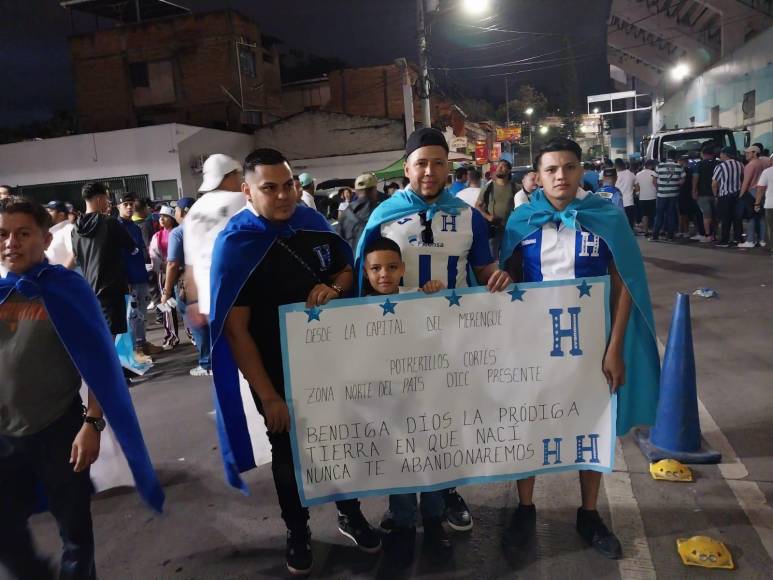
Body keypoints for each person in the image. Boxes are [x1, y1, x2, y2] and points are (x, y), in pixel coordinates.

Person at [210, 148, 380, 576]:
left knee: (341, 440)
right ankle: (298, 530)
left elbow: (346, 270)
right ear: (248, 190)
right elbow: (236, 330)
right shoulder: (236, 243)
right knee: (287, 453)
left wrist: (336, 288)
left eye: (289, 185)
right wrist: (268, 396)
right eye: (270, 188)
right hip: (275, 369)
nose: (284, 196)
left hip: (329, 362)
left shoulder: (313, 224)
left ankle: (350, 513)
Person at [500, 138, 659, 560]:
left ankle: (588, 513)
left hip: (591, 346)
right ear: (537, 175)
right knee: (531, 424)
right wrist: (500, 280)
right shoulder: (522, 220)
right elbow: (508, 278)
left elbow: (624, 281)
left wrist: (615, 347)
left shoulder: (605, 217)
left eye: (569, 167)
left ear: (580, 170)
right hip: (535, 348)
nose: (560, 176)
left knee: (592, 426)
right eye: (551, 169)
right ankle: (525, 508)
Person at [354, 127, 512, 547]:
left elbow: (483, 272)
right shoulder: (383, 215)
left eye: (437, 162)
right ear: (406, 167)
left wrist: (498, 279)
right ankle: (401, 500)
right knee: (400, 420)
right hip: (398, 341)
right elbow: (365, 281)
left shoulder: (469, 217)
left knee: (447, 423)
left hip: (451, 339)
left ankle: (445, 494)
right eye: (420, 163)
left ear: (449, 167)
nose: (429, 171)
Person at [0, 196, 163, 580]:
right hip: (4, 437)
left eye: (23, 234)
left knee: (74, 532)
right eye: (3, 235)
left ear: (44, 238)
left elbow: (101, 363)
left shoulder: (65, 288)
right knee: (6, 532)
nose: (11, 243)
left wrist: (92, 424)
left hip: (59, 429)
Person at [360, 236, 448, 569]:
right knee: (399, 463)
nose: (384, 274)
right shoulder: (352, 313)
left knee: (432, 460)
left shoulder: (420, 299)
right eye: (376, 268)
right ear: (366, 272)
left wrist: (435, 294)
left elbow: (440, 332)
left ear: (403, 270)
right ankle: (405, 523)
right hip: (387, 406)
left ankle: (435, 518)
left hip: (425, 400)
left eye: (392, 267)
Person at [183, 153, 246, 327]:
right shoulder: (241, 200)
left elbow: (190, 264)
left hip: (207, 301)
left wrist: (194, 301)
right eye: (237, 175)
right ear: (228, 176)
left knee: (220, 350)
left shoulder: (195, 210)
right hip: (240, 295)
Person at [71, 182, 138, 337]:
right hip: (111, 289)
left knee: (99, 335)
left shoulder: (75, 229)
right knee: (111, 336)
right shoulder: (110, 223)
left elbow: (77, 257)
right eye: (107, 199)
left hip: (89, 289)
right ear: (100, 199)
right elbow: (132, 248)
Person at [162, 197, 209, 375]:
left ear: (182, 212)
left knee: (197, 323)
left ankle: (206, 363)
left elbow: (172, 264)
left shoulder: (178, 233)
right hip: (208, 279)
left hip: (187, 283)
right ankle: (217, 359)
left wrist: (166, 291)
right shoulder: (207, 228)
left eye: (176, 210)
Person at [116, 193, 163, 362]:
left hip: (140, 274)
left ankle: (142, 343)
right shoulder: (116, 227)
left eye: (131, 204)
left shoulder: (134, 226)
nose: (129, 207)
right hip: (129, 278)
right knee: (133, 315)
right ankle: (135, 349)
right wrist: (125, 279)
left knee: (142, 313)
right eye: (125, 204)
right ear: (118, 207)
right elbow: (117, 256)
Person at [150, 206, 179, 349]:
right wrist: (158, 269)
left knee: (183, 303)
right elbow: (154, 256)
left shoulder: (178, 232)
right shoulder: (157, 236)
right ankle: (171, 335)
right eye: (160, 217)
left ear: (173, 218)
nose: (161, 219)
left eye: (165, 216)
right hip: (164, 273)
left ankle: (191, 333)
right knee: (167, 305)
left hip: (179, 272)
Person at [476, 159, 517, 260]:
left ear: (508, 171)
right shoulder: (489, 187)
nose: (499, 168)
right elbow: (477, 206)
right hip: (493, 229)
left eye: (503, 166)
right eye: (498, 166)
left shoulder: (515, 187)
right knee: (493, 259)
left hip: (511, 229)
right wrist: (488, 217)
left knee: (510, 258)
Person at [338, 173, 384, 250]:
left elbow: (339, 242)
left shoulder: (346, 212)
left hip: (353, 260)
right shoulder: (381, 209)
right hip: (376, 260)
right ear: (374, 190)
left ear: (356, 191)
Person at [712, 146, 745, 247]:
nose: (720, 155)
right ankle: (737, 239)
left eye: (721, 154)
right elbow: (743, 178)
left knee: (725, 218)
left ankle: (724, 241)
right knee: (737, 218)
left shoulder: (720, 166)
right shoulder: (740, 165)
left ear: (725, 155)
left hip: (725, 195)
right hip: (738, 195)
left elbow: (714, 183)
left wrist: (715, 195)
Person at [738, 145, 768, 248]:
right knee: (762, 217)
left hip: (752, 192)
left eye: (748, 152)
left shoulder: (750, 165)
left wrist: (741, 195)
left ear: (755, 153)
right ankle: (763, 240)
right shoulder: (763, 163)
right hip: (763, 191)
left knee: (751, 217)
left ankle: (750, 240)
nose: (746, 154)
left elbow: (746, 182)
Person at [651, 149, 684, 241]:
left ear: (667, 155)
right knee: (671, 214)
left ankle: (655, 236)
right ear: (675, 157)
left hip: (661, 195)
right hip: (673, 195)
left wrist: (659, 189)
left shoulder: (659, 166)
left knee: (659, 215)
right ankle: (670, 236)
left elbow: (654, 181)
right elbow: (682, 181)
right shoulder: (679, 167)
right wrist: (675, 186)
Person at [692, 145, 719, 242]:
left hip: (702, 194)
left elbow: (696, 177)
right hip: (716, 194)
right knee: (715, 216)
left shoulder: (699, 164)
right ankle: (715, 235)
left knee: (706, 216)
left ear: (703, 154)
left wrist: (694, 190)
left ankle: (708, 235)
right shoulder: (719, 163)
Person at [44, 200, 76, 268]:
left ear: (61, 215)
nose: (46, 214)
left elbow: (74, 253)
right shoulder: (52, 231)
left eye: (50, 211)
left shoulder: (68, 229)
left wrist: (62, 274)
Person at [754, 162, 773, 253]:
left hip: (770, 204)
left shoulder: (767, 171)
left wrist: (757, 203)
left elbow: (760, 188)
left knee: (771, 227)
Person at [614, 159, 636, 228]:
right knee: (630, 223)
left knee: (619, 223)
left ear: (616, 165)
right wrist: (633, 192)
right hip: (629, 202)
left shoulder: (614, 175)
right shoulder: (631, 174)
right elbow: (637, 188)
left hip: (617, 203)